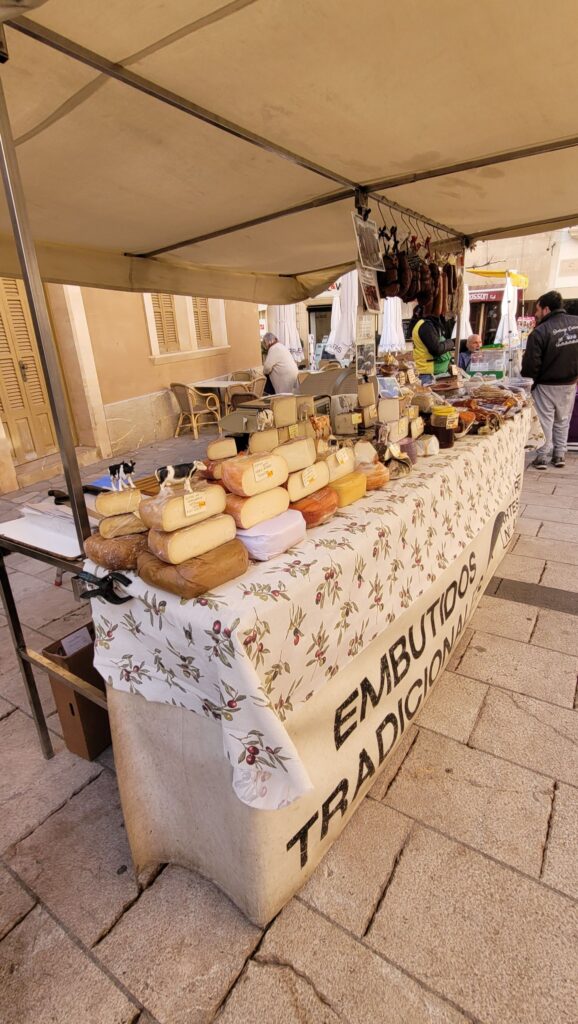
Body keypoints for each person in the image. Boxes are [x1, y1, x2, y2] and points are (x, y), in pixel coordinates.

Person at [521, 290, 578, 469]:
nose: (536, 314)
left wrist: (530, 382)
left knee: (545, 420)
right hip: (570, 382)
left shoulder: (540, 332)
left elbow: (531, 364)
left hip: (546, 383)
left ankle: (543, 456)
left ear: (546, 309)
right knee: (563, 419)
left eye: (537, 310)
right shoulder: (576, 323)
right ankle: (559, 454)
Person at [409, 307, 455, 384]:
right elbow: (437, 349)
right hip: (428, 375)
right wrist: (453, 342)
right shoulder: (425, 326)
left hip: (431, 374)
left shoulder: (426, 324)